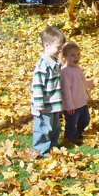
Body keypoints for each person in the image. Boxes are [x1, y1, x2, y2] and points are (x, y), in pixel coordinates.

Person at [31, 27, 66, 157]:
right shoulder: (42, 65)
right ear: (46, 45)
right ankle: (41, 151)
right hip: (44, 105)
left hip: (54, 103)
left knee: (55, 126)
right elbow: (37, 86)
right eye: (58, 47)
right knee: (43, 128)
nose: (60, 50)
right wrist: (38, 105)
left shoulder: (56, 64)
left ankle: (52, 146)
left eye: (61, 47)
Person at [60, 41, 94, 146]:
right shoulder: (65, 71)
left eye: (78, 54)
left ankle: (79, 131)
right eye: (72, 55)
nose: (76, 57)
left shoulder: (77, 68)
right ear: (64, 57)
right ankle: (70, 137)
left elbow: (79, 82)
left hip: (81, 101)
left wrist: (88, 84)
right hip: (72, 105)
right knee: (71, 122)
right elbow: (66, 89)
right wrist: (69, 105)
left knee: (85, 119)